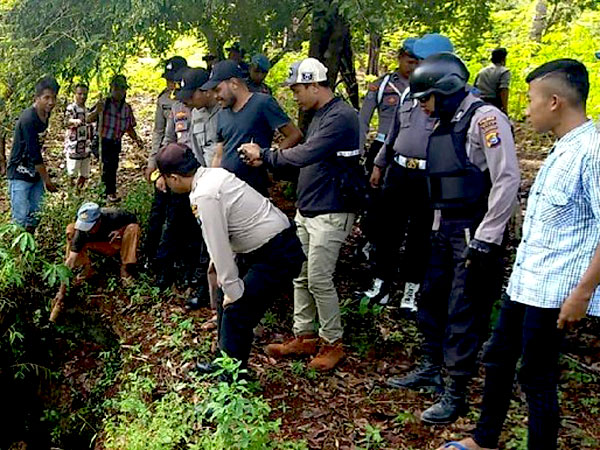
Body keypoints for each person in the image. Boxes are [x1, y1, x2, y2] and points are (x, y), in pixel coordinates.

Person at [438, 59, 600, 450]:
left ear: (556, 102)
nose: (526, 110)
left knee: (537, 375)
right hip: (526, 282)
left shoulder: (592, 152)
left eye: (531, 101)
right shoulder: (563, 149)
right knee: (498, 357)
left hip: (556, 290)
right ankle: (485, 438)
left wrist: (582, 293)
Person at [390, 53, 520, 425]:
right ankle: (431, 368)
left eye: (427, 99)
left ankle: (456, 390)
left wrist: (487, 238)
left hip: (474, 228)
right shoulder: (445, 122)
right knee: (431, 297)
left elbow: (507, 179)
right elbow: (442, 184)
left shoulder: (486, 120)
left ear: (445, 90)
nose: (424, 108)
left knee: (464, 308)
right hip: (444, 226)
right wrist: (435, 227)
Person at [240, 57, 360, 371]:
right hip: (310, 209)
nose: (295, 97)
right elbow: (309, 162)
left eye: (297, 90)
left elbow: (306, 153)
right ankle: (304, 335)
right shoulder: (320, 115)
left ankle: (332, 342)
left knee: (319, 278)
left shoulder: (341, 117)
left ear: (313, 85)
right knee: (301, 274)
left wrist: (266, 155)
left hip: (331, 210)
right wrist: (269, 163)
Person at [155, 142, 305, 373]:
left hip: (277, 252)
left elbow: (218, 246)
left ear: (174, 178)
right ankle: (224, 362)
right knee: (229, 305)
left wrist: (232, 289)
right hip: (265, 247)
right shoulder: (212, 175)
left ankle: (232, 381)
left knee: (237, 309)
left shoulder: (205, 195)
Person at [365, 33, 453, 310]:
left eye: (423, 61)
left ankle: (411, 291)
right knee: (387, 229)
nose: (417, 67)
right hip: (398, 171)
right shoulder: (408, 94)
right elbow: (393, 133)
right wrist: (380, 163)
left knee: (420, 235)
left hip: (429, 177)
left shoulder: (453, 98)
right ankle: (381, 283)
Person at [202, 60, 302, 196]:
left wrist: (270, 158)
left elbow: (294, 134)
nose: (215, 96)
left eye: (217, 90)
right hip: (227, 189)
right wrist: (213, 185)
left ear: (234, 83)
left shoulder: (263, 103)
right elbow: (219, 154)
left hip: (254, 190)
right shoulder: (222, 113)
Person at [49, 202, 140, 322]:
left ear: (98, 221)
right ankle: (87, 268)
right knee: (71, 230)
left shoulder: (114, 215)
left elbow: (134, 220)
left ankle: (125, 268)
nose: (87, 230)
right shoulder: (81, 230)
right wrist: (61, 292)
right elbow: (70, 261)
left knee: (133, 228)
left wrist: (120, 231)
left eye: (90, 226)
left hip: (113, 244)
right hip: (94, 245)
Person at [145, 56, 188, 272]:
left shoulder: (193, 100)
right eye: (168, 80)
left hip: (184, 169)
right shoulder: (163, 100)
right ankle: (150, 256)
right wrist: (153, 162)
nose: (170, 84)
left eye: (173, 80)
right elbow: (160, 133)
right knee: (157, 212)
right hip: (165, 163)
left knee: (177, 216)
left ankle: (174, 260)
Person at [7, 76, 60, 232]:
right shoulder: (28, 119)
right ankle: (17, 254)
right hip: (19, 173)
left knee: (36, 214)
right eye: (46, 98)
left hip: (34, 173)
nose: (51, 102)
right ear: (37, 98)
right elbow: (35, 153)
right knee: (20, 217)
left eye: (54, 97)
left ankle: (30, 248)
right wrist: (47, 181)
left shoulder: (45, 114)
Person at [88, 74, 144, 203]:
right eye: (116, 88)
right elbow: (89, 119)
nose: (119, 92)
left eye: (122, 89)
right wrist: (97, 111)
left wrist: (136, 140)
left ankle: (109, 192)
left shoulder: (126, 108)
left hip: (115, 142)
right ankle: (105, 192)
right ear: (111, 89)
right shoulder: (104, 104)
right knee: (106, 165)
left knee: (113, 167)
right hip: (102, 141)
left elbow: (129, 127)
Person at [64, 83, 93, 190]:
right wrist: (74, 121)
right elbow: (66, 122)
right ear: (75, 94)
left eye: (85, 94)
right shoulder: (71, 108)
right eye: (80, 94)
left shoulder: (87, 110)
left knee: (85, 173)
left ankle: (77, 192)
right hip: (74, 146)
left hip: (85, 146)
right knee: (72, 173)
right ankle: (70, 193)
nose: (82, 97)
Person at [474, 48, 511, 113]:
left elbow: (474, 88)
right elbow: (503, 90)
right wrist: (505, 109)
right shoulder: (504, 71)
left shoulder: (482, 71)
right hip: (494, 103)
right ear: (503, 58)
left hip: (479, 102)